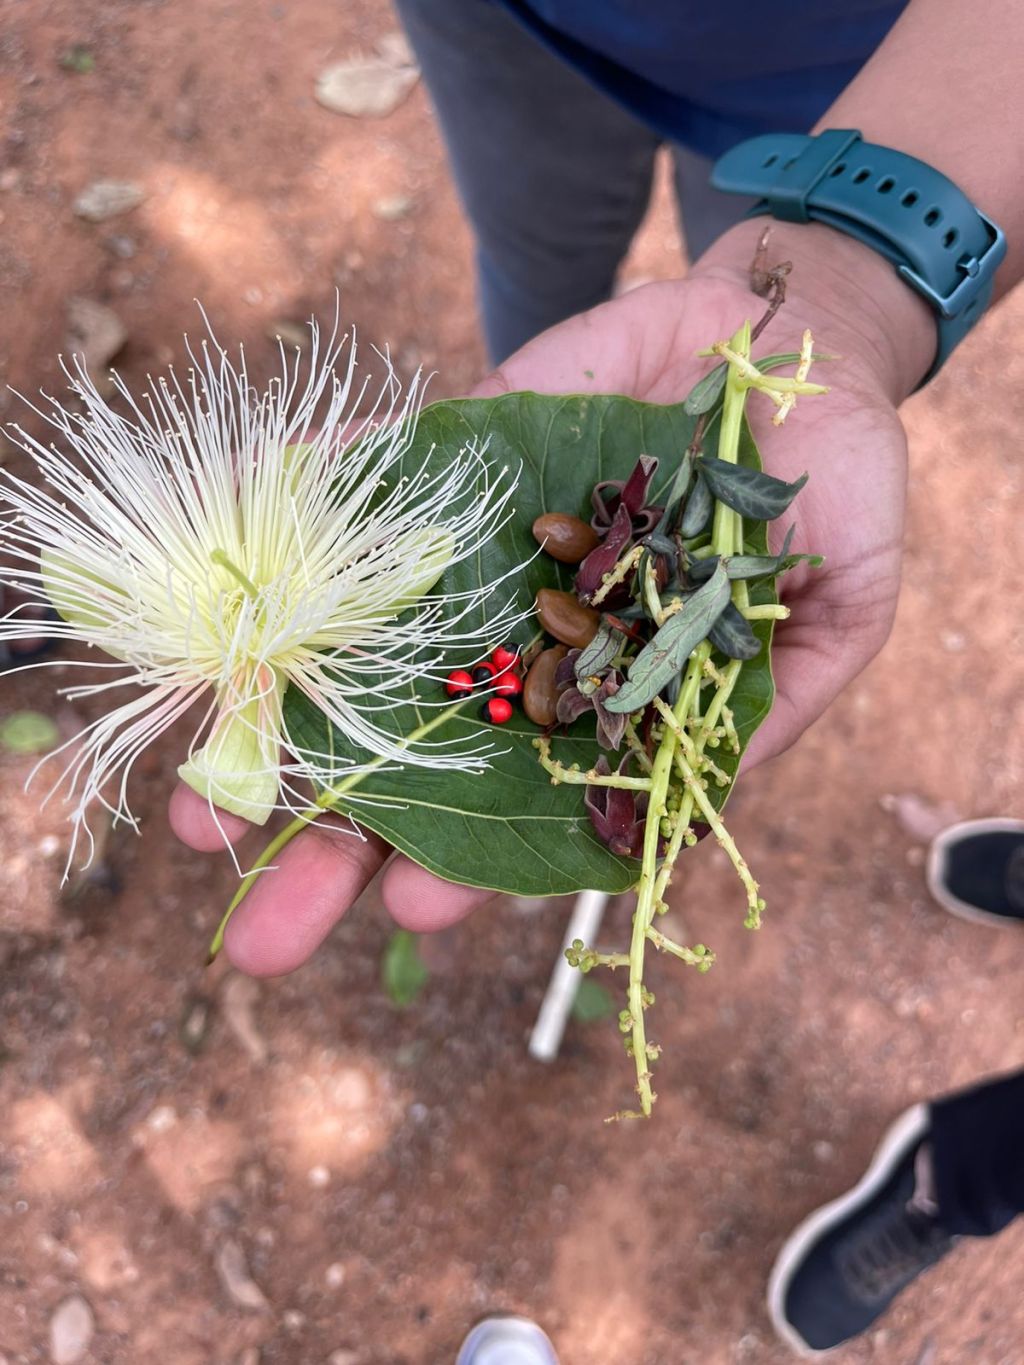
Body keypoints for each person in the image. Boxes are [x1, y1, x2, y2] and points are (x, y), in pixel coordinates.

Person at [165, 0, 1023, 1356]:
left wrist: (851, 283)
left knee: (656, 261)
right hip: (510, 23)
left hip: (845, 55)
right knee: (534, 255)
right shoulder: (574, 610)